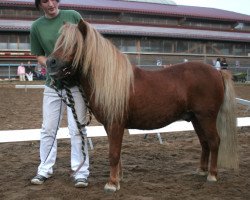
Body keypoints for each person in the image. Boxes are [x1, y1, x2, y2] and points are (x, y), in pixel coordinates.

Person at [30, 0, 89, 188]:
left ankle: (81, 172)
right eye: (45, 1)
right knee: (48, 129)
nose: (50, 4)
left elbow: (87, 41)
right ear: (39, 4)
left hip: (75, 85)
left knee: (77, 129)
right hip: (52, 85)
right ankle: (44, 169)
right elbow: (38, 53)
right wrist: (49, 64)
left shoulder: (73, 16)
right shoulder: (36, 27)